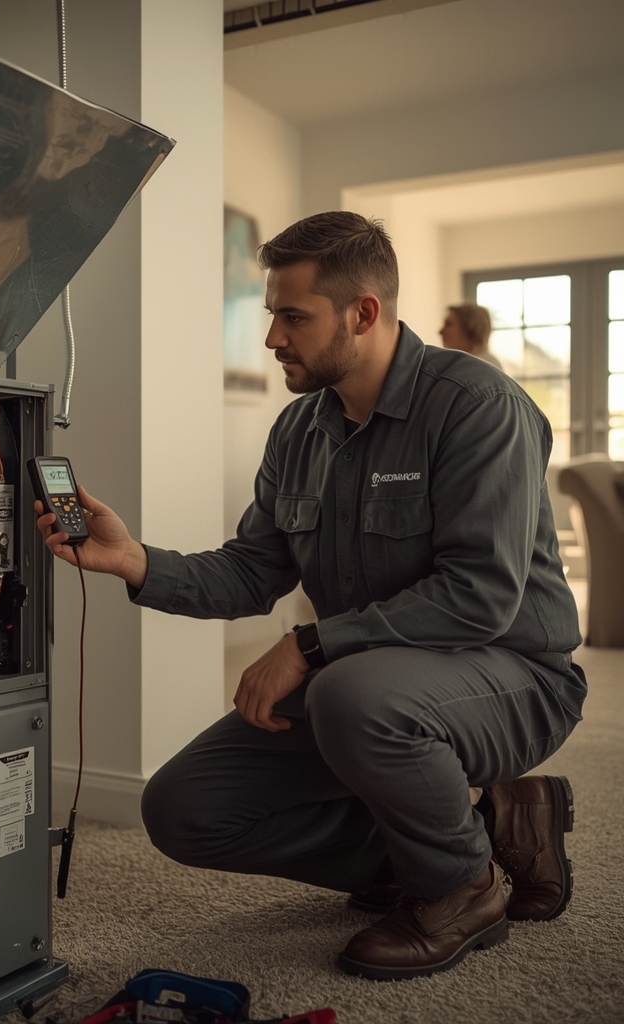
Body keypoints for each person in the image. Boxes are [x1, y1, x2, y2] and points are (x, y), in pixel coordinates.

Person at [34, 212, 586, 981]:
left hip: (513, 677)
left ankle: (461, 886)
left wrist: (309, 646)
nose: (272, 339)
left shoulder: (476, 406)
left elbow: (479, 597)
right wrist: (133, 561)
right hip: (375, 688)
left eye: (293, 317)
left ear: (363, 313)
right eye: (272, 316)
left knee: (350, 694)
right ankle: (479, 827)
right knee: (183, 809)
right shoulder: (299, 431)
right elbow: (253, 572)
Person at [440, 302, 502, 369]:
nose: (440, 332)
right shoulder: (456, 364)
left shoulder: (484, 367)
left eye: (448, 324)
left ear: (469, 329)